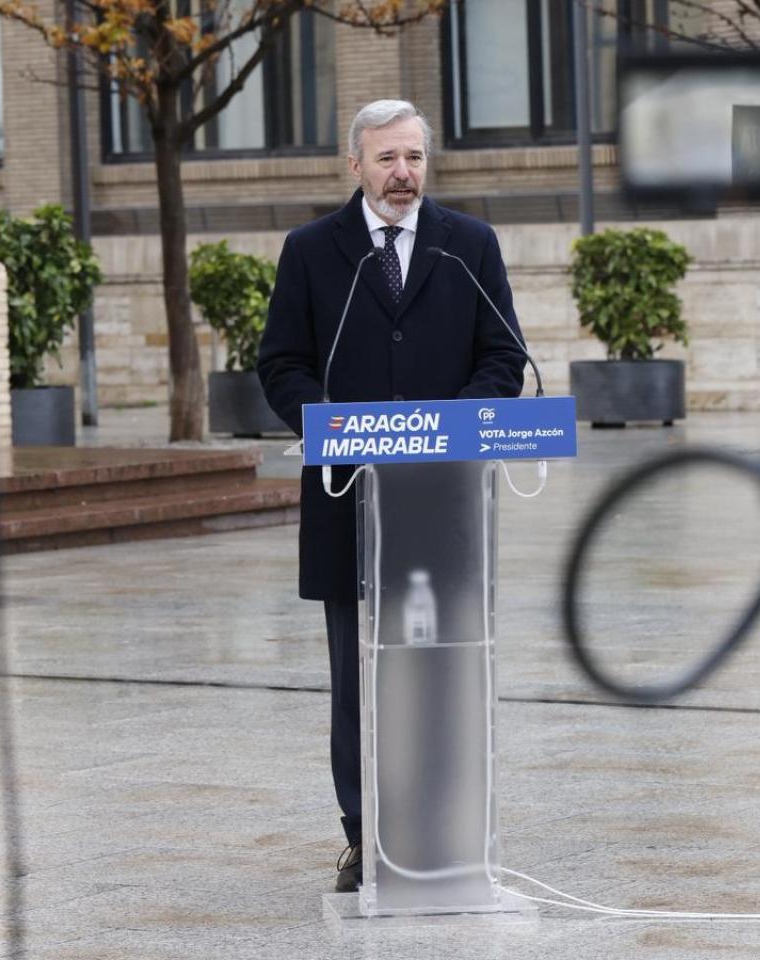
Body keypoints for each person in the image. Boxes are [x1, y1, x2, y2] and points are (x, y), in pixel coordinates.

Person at [257, 99, 527, 892]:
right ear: (356, 165)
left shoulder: (468, 245)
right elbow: (282, 364)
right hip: (349, 504)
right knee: (358, 681)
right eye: (387, 159)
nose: (403, 173)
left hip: (444, 505)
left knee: (445, 670)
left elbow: (503, 359)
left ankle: (443, 830)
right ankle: (363, 836)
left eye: (414, 157)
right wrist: (337, 422)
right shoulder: (311, 250)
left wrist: (444, 429)